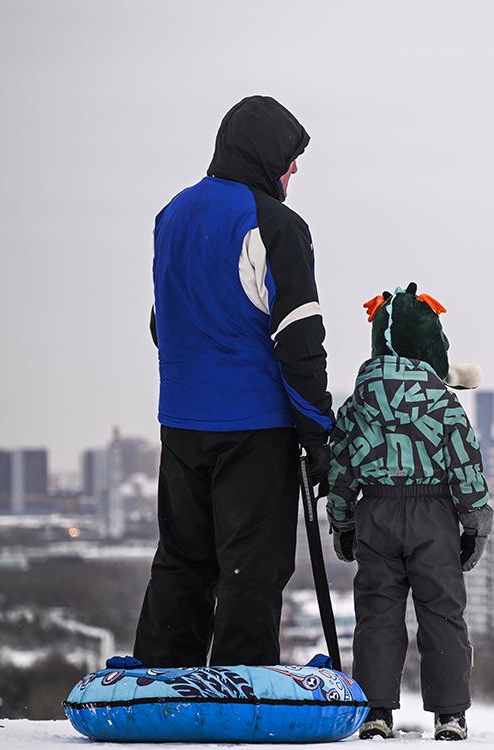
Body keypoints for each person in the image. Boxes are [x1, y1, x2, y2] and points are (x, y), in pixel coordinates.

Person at [134, 95, 334, 668]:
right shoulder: (276, 225)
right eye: (290, 158)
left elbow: (161, 319)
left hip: (181, 422)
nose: (294, 170)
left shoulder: (172, 215)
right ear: (265, 156)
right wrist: (319, 432)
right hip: (255, 427)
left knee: (182, 559)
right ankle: (238, 686)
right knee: (251, 564)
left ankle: (161, 684)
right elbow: (298, 338)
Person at [327, 283, 492, 741]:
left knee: (378, 614)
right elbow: (466, 466)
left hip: (375, 511)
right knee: (442, 613)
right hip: (433, 514)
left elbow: (340, 465)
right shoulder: (443, 403)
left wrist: (342, 521)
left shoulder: (359, 402)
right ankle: (450, 715)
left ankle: (376, 711)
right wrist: (474, 524)